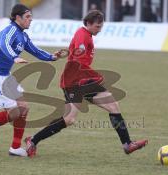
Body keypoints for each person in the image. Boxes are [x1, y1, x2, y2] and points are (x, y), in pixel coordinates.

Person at [25, 10, 148, 158]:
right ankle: (33, 140)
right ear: (88, 23)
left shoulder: (87, 35)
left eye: (101, 26)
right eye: (97, 26)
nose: (100, 29)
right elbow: (78, 62)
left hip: (85, 80)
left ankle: (127, 144)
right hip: (73, 81)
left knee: (113, 105)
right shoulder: (82, 36)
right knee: (69, 119)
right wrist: (94, 76)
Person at [0, 4, 60, 157]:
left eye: (31, 17)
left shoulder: (23, 35)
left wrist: (52, 57)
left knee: (23, 108)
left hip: (6, 76)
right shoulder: (10, 30)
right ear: (17, 18)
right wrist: (15, 57)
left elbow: (35, 50)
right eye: (27, 17)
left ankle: (15, 147)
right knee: (14, 112)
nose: (30, 20)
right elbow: (3, 44)